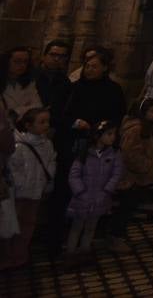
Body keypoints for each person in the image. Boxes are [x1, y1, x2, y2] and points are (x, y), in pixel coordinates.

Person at [0, 107, 55, 270]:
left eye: (47, 121)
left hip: (35, 192)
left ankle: (20, 256)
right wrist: (22, 183)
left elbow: (51, 162)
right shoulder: (19, 145)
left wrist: (46, 180)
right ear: (28, 125)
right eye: (41, 122)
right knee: (12, 226)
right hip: (19, 194)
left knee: (28, 226)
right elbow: (13, 168)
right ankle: (8, 257)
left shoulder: (47, 144)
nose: (46, 125)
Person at [65, 119, 122, 259]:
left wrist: (106, 191)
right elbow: (74, 175)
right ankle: (70, 254)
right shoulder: (85, 153)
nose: (113, 137)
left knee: (91, 227)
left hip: (100, 198)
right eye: (109, 134)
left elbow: (116, 174)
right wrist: (80, 192)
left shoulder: (114, 154)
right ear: (98, 136)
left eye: (114, 134)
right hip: (82, 198)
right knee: (76, 227)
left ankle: (84, 251)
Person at [110, 98, 153, 249]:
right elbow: (129, 153)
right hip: (131, 177)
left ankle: (119, 235)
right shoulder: (136, 129)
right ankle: (116, 238)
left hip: (137, 177)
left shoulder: (147, 127)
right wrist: (146, 165)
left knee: (129, 207)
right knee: (125, 208)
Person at [63, 47, 125, 147]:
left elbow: (118, 114)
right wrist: (76, 122)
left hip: (103, 138)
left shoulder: (114, 89)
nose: (89, 70)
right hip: (76, 137)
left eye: (94, 67)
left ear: (104, 68)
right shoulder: (76, 87)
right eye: (87, 66)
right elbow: (65, 112)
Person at [34, 40, 72, 124]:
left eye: (62, 56)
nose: (57, 59)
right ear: (44, 56)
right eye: (53, 55)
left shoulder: (65, 81)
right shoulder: (31, 76)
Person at [1, 47, 41, 120]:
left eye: (25, 62)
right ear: (6, 62)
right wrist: (27, 107)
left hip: (23, 124)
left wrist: (17, 111)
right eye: (17, 61)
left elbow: (38, 105)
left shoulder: (30, 83)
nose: (22, 65)